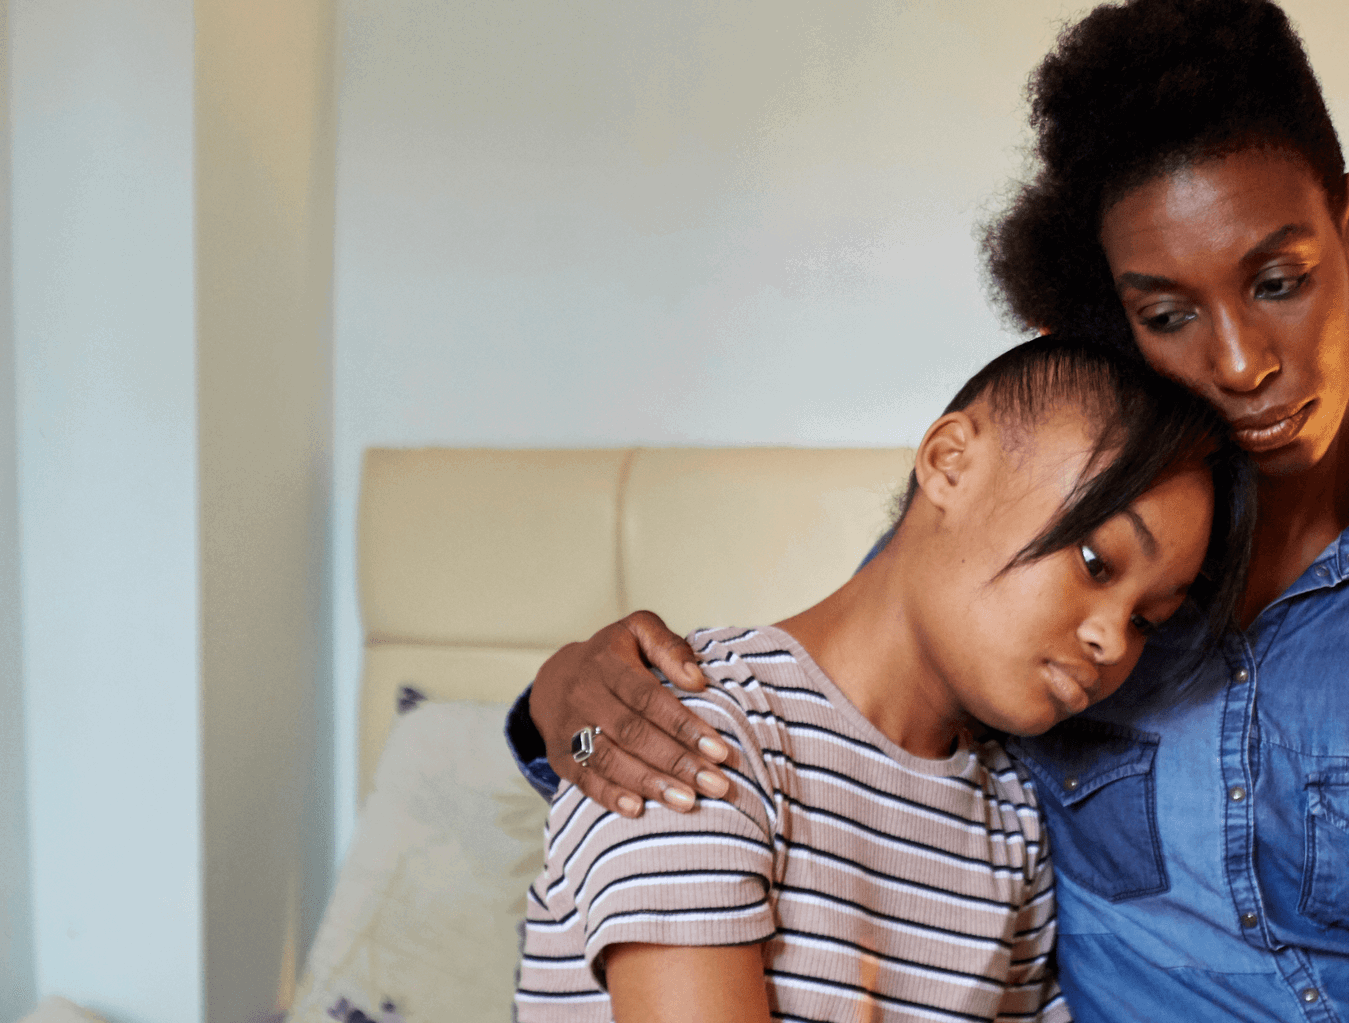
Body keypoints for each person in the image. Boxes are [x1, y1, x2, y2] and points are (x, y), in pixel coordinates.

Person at [503, 0, 1349, 1021]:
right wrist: (564, 698)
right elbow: (839, 708)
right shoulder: (1020, 575)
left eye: (1280, 281)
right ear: (1112, 323)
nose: (1240, 362)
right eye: (1169, 314)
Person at [515, 337, 1256, 1023]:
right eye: (1097, 562)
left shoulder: (1015, 824)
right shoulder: (683, 732)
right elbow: (580, 744)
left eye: (1147, 621)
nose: (1110, 638)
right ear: (949, 462)